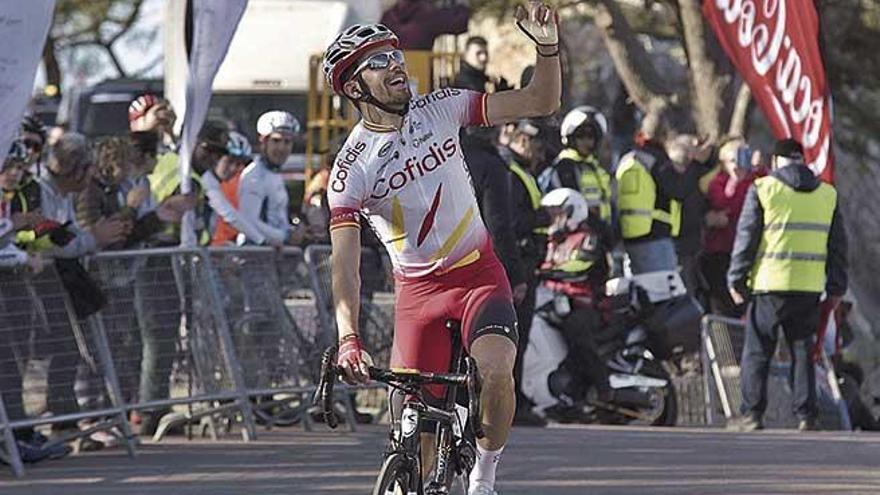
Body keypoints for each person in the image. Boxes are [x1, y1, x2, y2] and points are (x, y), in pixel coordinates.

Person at [321, 3, 560, 493]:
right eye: (378, 62)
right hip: (419, 296)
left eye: (394, 55)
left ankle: (484, 478)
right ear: (353, 87)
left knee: (496, 371)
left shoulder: (442, 106)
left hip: (478, 276)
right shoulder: (350, 170)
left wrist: (547, 47)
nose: (396, 66)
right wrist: (349, 338)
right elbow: (344, 268)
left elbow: (540, 101)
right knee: (416, 437)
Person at [727, 139, 848, 432]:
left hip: (769, 284)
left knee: (757, 352)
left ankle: (752, 415)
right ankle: (806, 415)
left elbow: (746, 239)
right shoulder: (827, 195)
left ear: (776, 160)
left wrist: (736, 278)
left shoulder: (764, 189)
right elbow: (839, 248)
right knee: (803, 353)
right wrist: (835, 287)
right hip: (808, 288)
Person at [504, 119, 555, 426]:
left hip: (526, 262)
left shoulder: (523, 173)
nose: (538, 152)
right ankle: (511, 403)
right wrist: (543, 216)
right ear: (522, 140)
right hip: (518, 264)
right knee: (514, 337)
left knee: (519, 337)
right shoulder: (512, 175)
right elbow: (512, 222)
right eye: (534, 144)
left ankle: (515, 397)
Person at [615, 123, 710, 275]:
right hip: (655, 238)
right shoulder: (656, 159)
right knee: (665, 293)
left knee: (640, 290)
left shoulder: (629, 158)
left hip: (630, 237)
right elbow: (678, 190)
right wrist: (697, 163)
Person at [701, 137, 762, 316]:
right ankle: (724, 343)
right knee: (723, 306)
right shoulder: (717, 182)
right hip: (721, 252)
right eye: (733, 160)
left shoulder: (758, 179)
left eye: (743, 158)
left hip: (749, 252)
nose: (738, 165)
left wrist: (756, 171)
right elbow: (726, 201)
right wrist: (738, 180)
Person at [539, 106, 613, 225]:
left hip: (599, 235)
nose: (586, 141)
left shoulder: (593, 166)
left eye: (591, 137)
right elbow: (574, 205)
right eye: (580, 136)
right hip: (578, 233)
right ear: (571, 138)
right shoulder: (566, 167)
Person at [237, 111, 299, 246]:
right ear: (263, 143)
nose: (282, 148)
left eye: (287, 142)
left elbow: (276, 218)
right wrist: (285, 237)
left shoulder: (274, 174)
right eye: (276, 141)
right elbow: (248, 221)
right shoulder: (255, 176)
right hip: (255, 252)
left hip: (275, 253)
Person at [205, 131, 268, 246]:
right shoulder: (207, 181)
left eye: (239, 164)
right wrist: (262, 240)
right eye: (229, 161)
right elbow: (230, 214)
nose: (234, 168)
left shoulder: (216, 182)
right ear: (216, 158)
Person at [380, 0, 470, 50]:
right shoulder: (428, 13)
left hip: (392, 74)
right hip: (421, 74)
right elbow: (460, 24)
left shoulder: (388, 16)